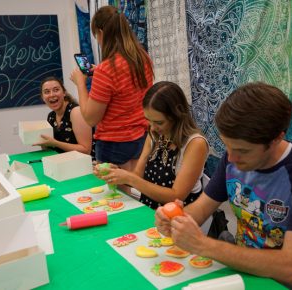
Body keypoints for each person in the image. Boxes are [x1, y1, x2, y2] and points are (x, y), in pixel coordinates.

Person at [154, 82, 292, 289]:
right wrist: (176, 221)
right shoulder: (234, 157)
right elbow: (202, 208)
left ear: (277, 139)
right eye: (227, 146)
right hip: (241, 273)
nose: (231, 157)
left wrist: (203, 245)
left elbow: (291, 269)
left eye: (243, 150)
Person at [95, 81, 209, 209]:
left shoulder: (195, 144)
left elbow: (176, 196)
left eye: (159, 122)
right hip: (148, 211)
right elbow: (138, 176)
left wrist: (129, 178)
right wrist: (116, 173)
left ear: (177, 115)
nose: (153, 127)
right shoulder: (155, 135)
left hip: (177, 219)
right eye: (148, 120)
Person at [70, 5, 154, 171]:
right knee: (135, 192)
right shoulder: (142, 59)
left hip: (114, 142)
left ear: (101, 33)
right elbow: (125, 88)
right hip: (141, 137)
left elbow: (90, 118)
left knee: (114, 196)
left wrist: (80, 83)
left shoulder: (106, 70)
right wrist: (100, 73)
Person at [35, 76, 92, 155]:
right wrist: (43, 142)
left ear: (64, 93)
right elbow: (49, 149)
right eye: (47, 92)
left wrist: (56, 143)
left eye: (56, 90)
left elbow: (86, 150)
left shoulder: (76, 112)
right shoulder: (51, 116)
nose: (51, 95)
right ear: (43, 97)